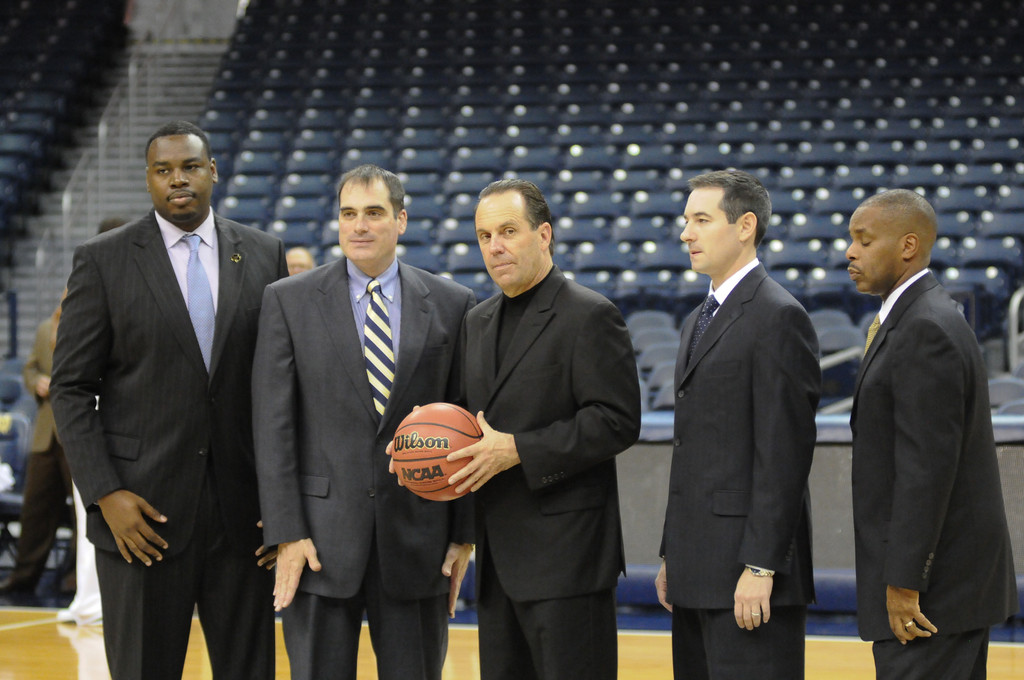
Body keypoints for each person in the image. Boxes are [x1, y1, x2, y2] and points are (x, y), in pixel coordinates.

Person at [51, 120, 287, 680]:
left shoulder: (262, 253)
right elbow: (70, 388)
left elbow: (281, 386)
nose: (177, 180)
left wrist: (282, 505)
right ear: (149, 180)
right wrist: (105, 493)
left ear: (213, 172)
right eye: (163, 170)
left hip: (244, 520)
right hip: (141, 520)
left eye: (189, 167)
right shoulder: (103, 260)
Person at [253, 164, 476, 680]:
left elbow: (466, 422)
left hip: (418, 539)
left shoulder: (451, 303)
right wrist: (286, 531)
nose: (359, 226)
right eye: (348, 214)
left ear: (400, 220)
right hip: (318, 544)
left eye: (374, 213)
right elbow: (273, 426)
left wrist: (463, 533)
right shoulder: (288, 299)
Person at [448, 178, 642, 680]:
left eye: (508, 231)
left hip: (569, 562)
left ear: (544, 234)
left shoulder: (591, 314)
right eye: (485, 235)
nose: (495, 246)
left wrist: (519, 450)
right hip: (496, 566)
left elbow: (617, 422)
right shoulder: (476, 321)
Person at [654, 170, 821, 679]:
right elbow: (695, 450)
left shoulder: (778, 315)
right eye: (686, 221)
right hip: (696, 570)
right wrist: (672, 554)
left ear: (745, 225)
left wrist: (761, 565)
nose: (686, 234)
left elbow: (784, 456)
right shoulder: (696, 319)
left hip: (748, 577)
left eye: (701, 220)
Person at [845, 189, 1017, 679]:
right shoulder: (918, 316)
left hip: (931, 596)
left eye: (864, 239)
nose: (850, 252)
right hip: (940, 590)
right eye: (850, 240)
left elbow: (926, 470)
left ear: (908, 246)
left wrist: (903, 583)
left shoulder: (925, 327)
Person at [60, 217, 126, 626]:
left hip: (124, 418)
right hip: (88, 417)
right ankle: (89, 601)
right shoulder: (89, 282)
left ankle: (96, 603)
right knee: (91, 513)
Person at [0, 294, 75, 596]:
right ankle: (22, 578)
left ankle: (75, 580)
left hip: (77, 433)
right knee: (35, 511)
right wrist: (36, 382)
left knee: (83, 515)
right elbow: (30, 368)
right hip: (45, 433)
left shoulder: (92, 326)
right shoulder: (46, 328)